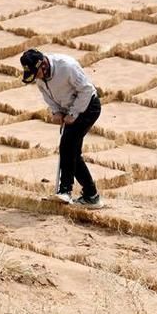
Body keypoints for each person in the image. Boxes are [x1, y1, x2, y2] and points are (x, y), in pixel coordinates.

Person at [20, 48, 103, 209]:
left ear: (43, 65)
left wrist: (73, 113)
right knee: (72, 152)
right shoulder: (39, 76)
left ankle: (65, 191)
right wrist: (56, 111)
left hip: (88, 107)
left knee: (67, 147)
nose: (36, 77)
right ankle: (91, 196)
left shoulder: (66, 66)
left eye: (36, 73)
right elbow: (47, 95)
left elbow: (86, 90)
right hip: (69, 109)